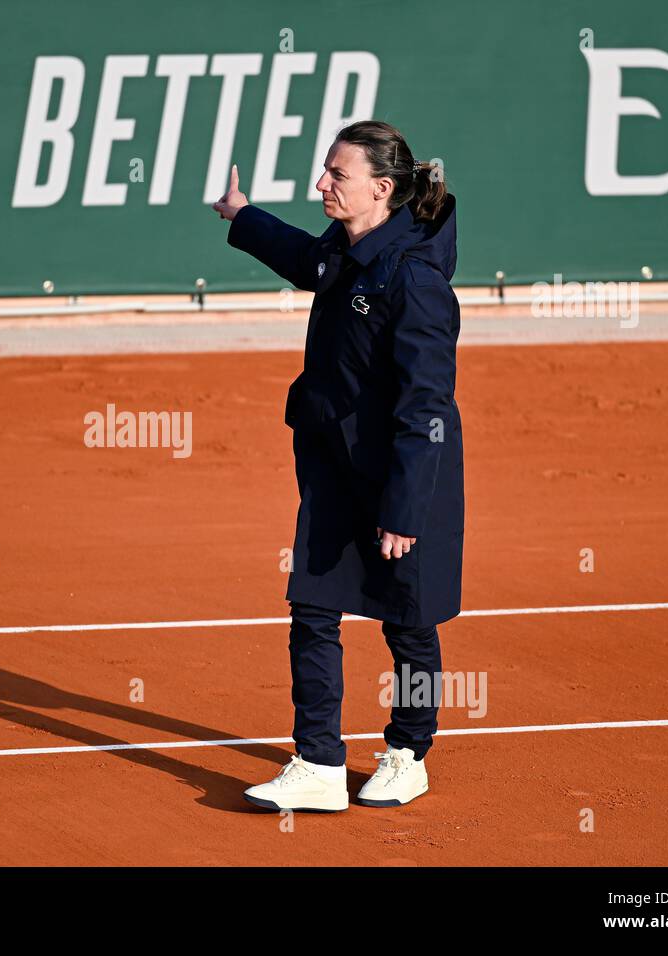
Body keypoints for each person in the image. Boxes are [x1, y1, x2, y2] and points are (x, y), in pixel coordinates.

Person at [213, 120, 464, 811]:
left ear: (381, 189)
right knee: (314, 607)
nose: (320, 184)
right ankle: (319, 762)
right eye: (326, 169)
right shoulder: (344, 248)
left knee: (407, 620)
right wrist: (243, 216)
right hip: (332, 466)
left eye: (336, 175)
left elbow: (427, 405)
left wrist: (404, 511)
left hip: (402, 476)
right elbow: (307, 261)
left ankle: (409, 751)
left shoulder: (414, 279)